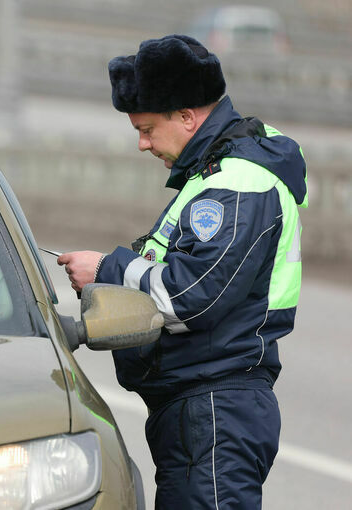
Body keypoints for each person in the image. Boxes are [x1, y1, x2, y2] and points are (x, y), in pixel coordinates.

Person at [58, 34, 307, 509]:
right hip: (203, 410)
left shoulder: (237, 184)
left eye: (148, 129)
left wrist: (107, 268)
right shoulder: (216, 175)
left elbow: (187, 296)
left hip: (214, 411)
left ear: (188, 116)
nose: (142, 143)